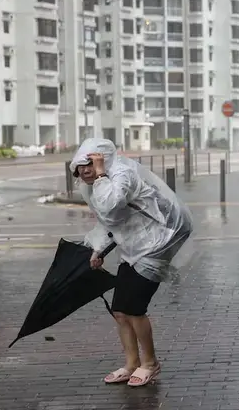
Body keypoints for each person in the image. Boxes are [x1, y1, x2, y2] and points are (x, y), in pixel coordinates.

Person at [69, 138, 193, 388]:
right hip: (135, 246)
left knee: (134, 308)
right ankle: (131, 363)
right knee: (120, 311)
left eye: (89, 163)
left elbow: (111, 205)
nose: (84, 170)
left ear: (102, 159)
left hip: (158, 242)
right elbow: (110, 221)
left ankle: (150, 363)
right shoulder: (96, 184)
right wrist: (99, 249)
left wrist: (102, 173)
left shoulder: (121, 175)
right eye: (79, 165)